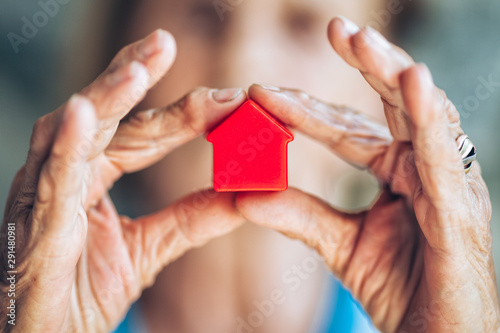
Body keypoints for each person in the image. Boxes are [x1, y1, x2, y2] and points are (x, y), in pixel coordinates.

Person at [1, 0, 499, 332]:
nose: (242, 61)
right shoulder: (30, 301)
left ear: (380, 96)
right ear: (118, 56)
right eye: (204, 13)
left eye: (301, 22)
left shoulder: (430, 309)